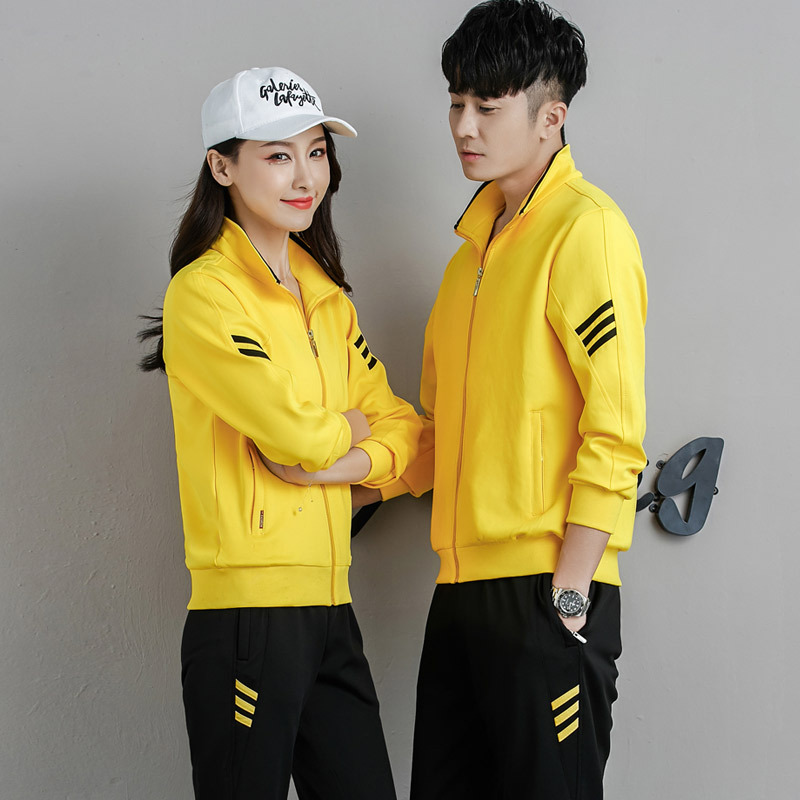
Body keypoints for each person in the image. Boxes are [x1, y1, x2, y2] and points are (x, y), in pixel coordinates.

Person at [355, 2, 647, 797]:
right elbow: (437, 437)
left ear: (551, 117)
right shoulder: (464, 265)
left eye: (487, 106)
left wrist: (571, 591)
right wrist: (341, 479)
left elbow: (616, 429)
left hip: (547, 591)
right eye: (456, 103)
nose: (463, 126)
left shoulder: (586, 231)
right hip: (458, 597)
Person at [139, 66, 420, 800]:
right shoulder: (204, 293)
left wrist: (337, 463)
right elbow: (295, 434)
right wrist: (351, 430)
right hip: (245, 617)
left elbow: (411, 438)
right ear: (222, 167)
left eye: (316, 152)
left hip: (332, 609)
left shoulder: (328, 300)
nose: (305, 177)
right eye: (277, 155)